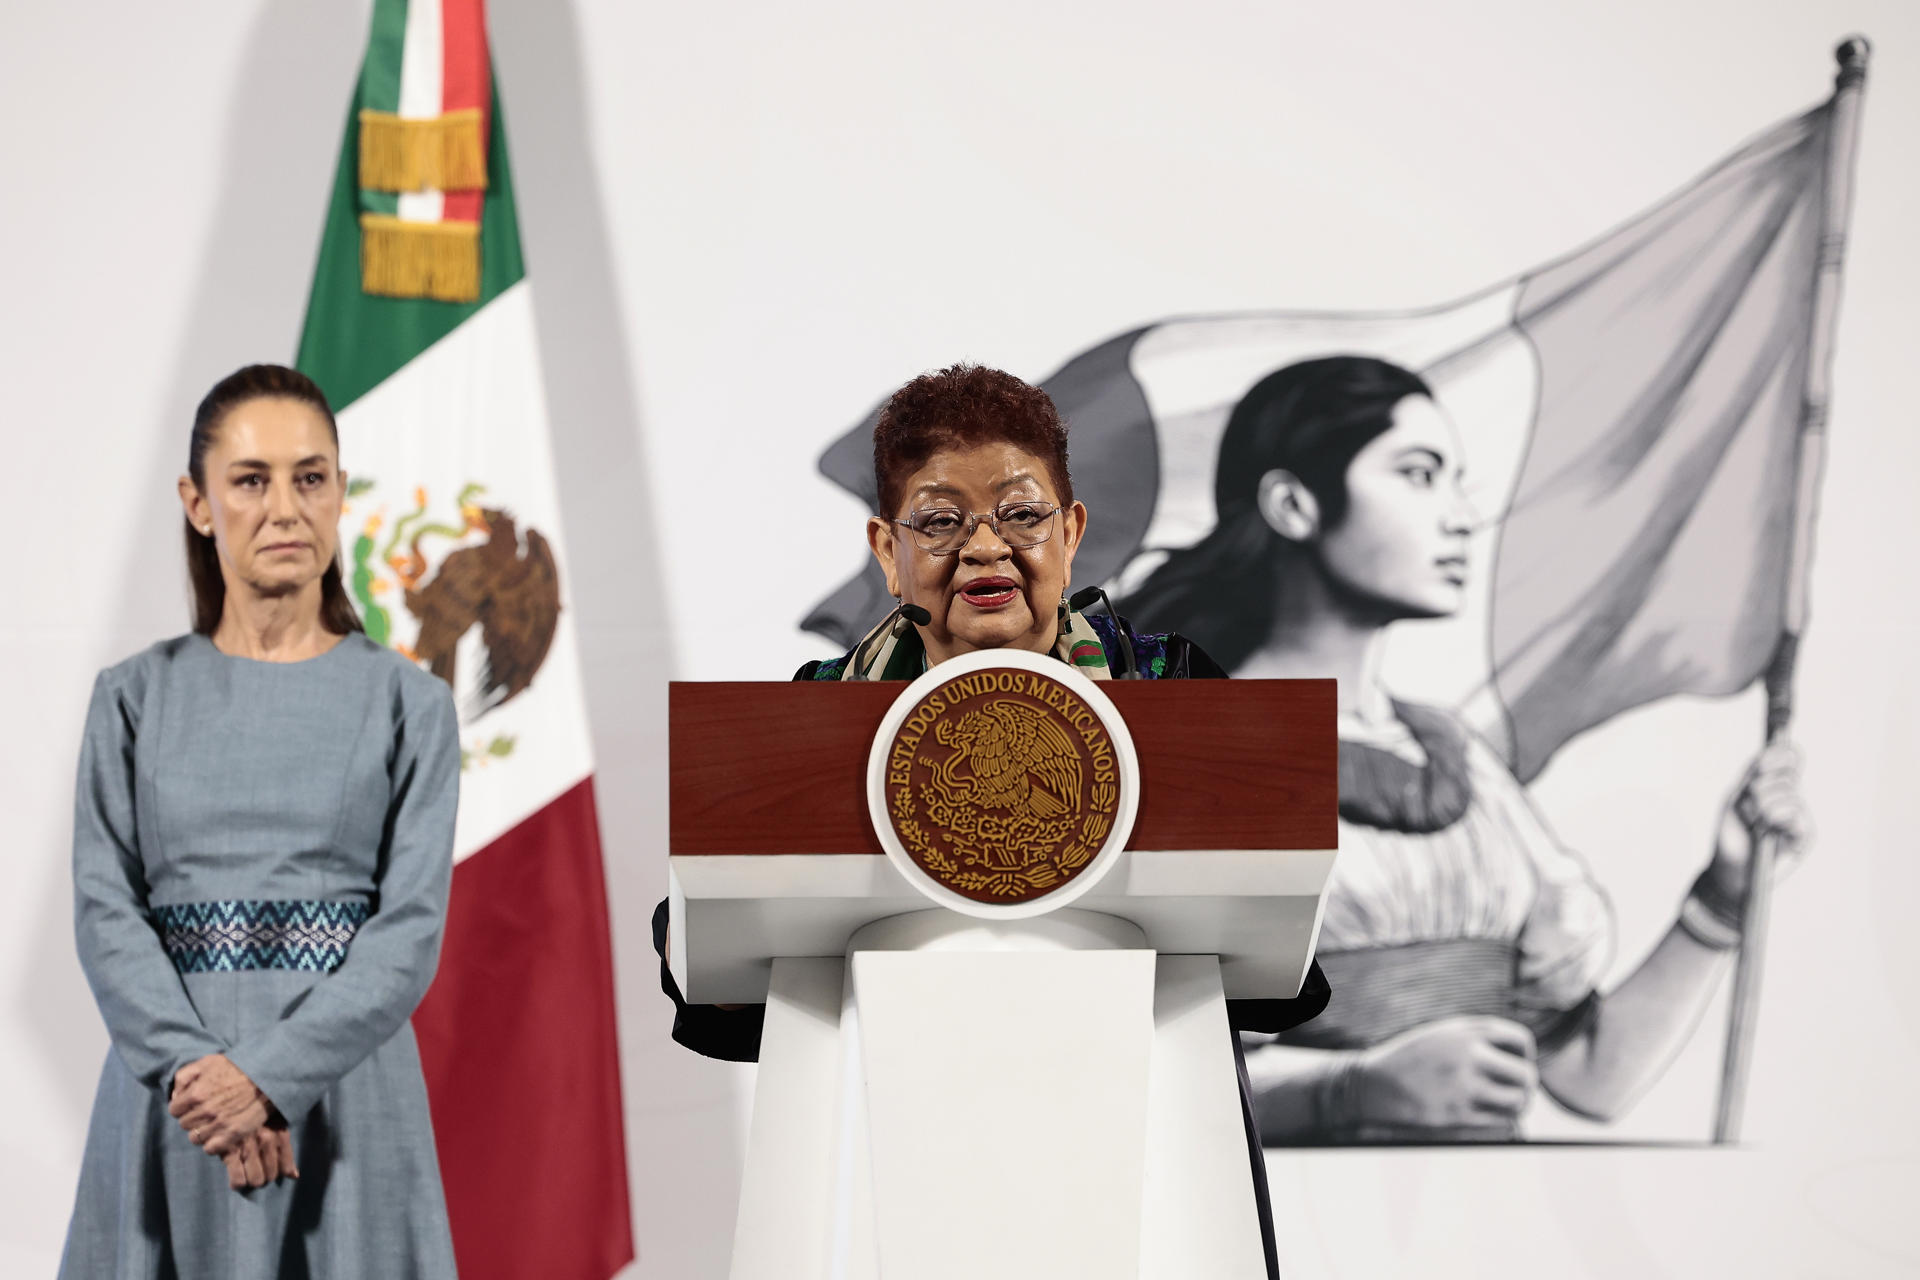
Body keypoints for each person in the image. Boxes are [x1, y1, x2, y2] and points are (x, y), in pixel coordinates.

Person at [652, 362, 1327, 1277]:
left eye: (1021, 514)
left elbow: (1281, 969)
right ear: (886, 551)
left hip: (1141, 1150)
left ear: (1073, 531)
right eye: (938, 521)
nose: (984, 549)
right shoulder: (815, 717)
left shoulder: (1169, 691)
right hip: (882, 1150)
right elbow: (711, 980)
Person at [1120, 355, 1810, 1143]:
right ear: (1293, 503)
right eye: (1418, 475)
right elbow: (1135, 1078)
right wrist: (1347, 1089)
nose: (1458, 516)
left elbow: (1591, 1076)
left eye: (1456, 480)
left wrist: (1722, 895)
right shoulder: (1185, 745)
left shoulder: (1459, 759)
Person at [60, 364, 461, 1276]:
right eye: (251, 480)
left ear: (340, 494)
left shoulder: (410, 704)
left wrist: (270, 1081)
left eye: (309, 478)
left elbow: (407, 934)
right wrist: (207, 1085)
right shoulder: (131, 699)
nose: (285, 507)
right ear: (197, 503)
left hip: (349, 1103)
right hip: (174, 1106)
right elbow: (104, 911)